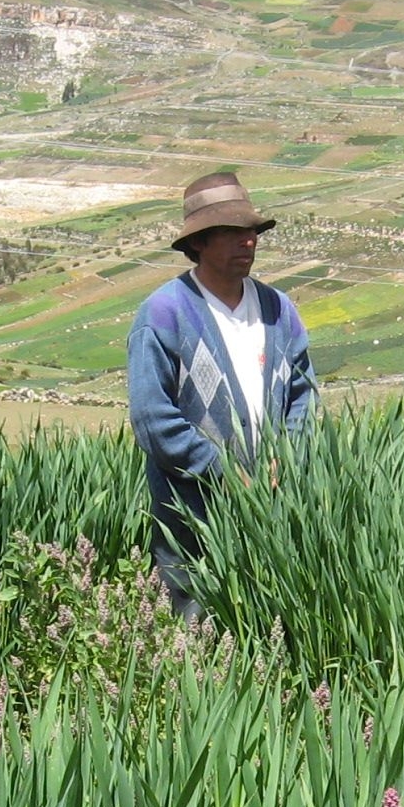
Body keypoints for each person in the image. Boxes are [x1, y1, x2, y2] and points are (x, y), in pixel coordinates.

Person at [126, 171, 318, 616]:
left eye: (250, 231)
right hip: (192, 515)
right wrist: (225, 473)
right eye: (231, 233)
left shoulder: (278, 309)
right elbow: (154, 421)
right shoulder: (163, 314)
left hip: (273, 506)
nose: (246, 242)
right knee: (194, 633)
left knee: (264, 623)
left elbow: (303, 394)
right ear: (199, 243)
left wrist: (285, 457)